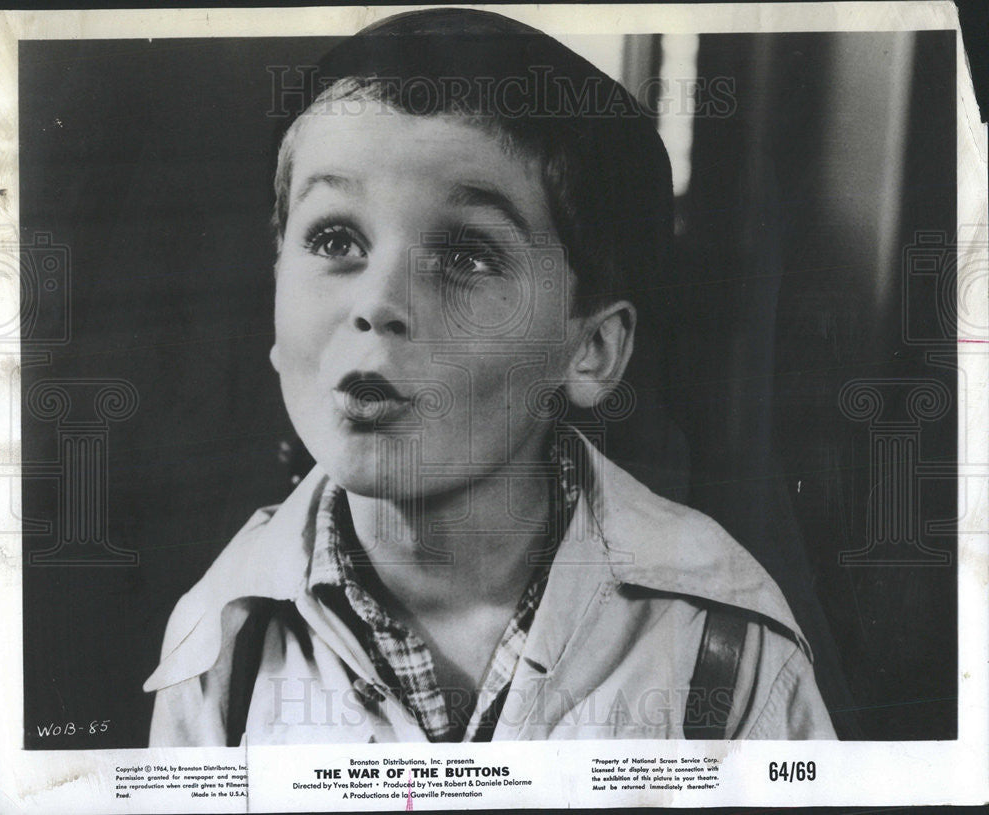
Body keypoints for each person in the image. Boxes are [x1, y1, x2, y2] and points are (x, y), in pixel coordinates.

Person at [145, 7, 836, 743]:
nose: (377, 303)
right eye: (336, 238)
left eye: (467, 256)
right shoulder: (225, 637)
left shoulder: (719, 643)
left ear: (592, 349)